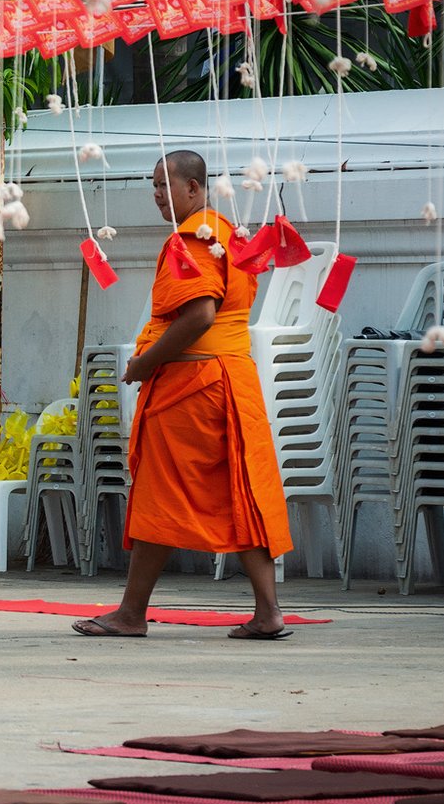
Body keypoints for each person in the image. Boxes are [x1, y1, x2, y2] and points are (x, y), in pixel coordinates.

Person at [75, 150, 293, 641]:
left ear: (193, 188)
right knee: (243, 491)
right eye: (151, 185)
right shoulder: (227, 233)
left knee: (159, 490)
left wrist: (143, 365)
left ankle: (132, 613)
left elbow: (199, 316)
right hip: (232, 380)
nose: (156, 194)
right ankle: (267, 611)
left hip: (196, 387)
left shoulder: (193, 237)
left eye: (163, 184)